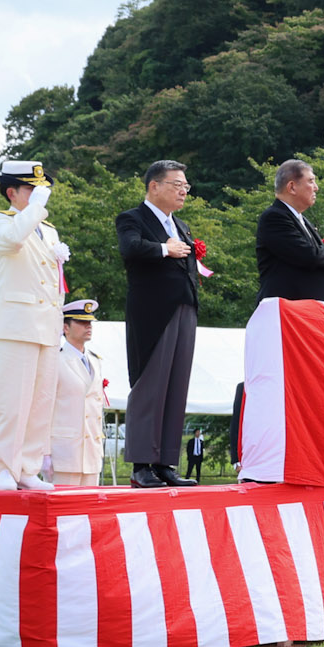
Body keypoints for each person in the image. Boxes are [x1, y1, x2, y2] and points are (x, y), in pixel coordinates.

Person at [0, 160, 65, 490]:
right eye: (31, 189)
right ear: (12, 192)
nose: (39, 195)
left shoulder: (49, 229)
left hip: (45, 326)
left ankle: (28, 467)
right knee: (9, 402)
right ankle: (3, 466)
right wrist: (37, 207)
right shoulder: (2, 222)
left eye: (42, 189)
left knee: (39, 403)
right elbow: (15, 239)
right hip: (13, 325)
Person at [117, 160, 201, 487]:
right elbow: (131, 248)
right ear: (155, 186)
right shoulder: (132, 218)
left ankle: (166, 462)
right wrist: (165, 249)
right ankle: (141, 464)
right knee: (150, 385)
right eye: (177, 184)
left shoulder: (180, 224)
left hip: (184, 306)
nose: (183, 191)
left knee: (177, 386)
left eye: (186, 186)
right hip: (152, 311)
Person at [255, 158, 324, 303]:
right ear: (292, 187)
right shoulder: (274, 217)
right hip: (286, 312)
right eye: (311, 181)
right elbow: (308, 255)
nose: (316, 187)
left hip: (307, 311)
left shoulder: (301, 219)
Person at [48, 299, 110, 487]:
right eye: (82, 322)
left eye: (90, 322)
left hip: (91, 451)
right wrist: (43, 452)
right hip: (64, 453)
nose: (88, 326)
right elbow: (44, 408)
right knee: (64, 511)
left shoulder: (95, 361)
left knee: (89, 511)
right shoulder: (54, 360)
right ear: (65, 328)